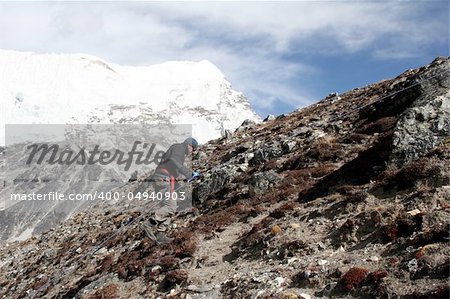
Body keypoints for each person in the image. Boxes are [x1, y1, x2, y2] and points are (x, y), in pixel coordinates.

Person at [140, 137, 200, 244]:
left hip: (162, 178)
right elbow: (174, 160)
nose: (193, 151)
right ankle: (149, 223)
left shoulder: (177, 150)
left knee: (171, 205)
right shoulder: (179, 148)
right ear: (189, 145)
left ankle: (161, 234)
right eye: (193, 148)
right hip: (163, 178)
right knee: (171, 206)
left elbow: (173, 165)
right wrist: (188, 173)